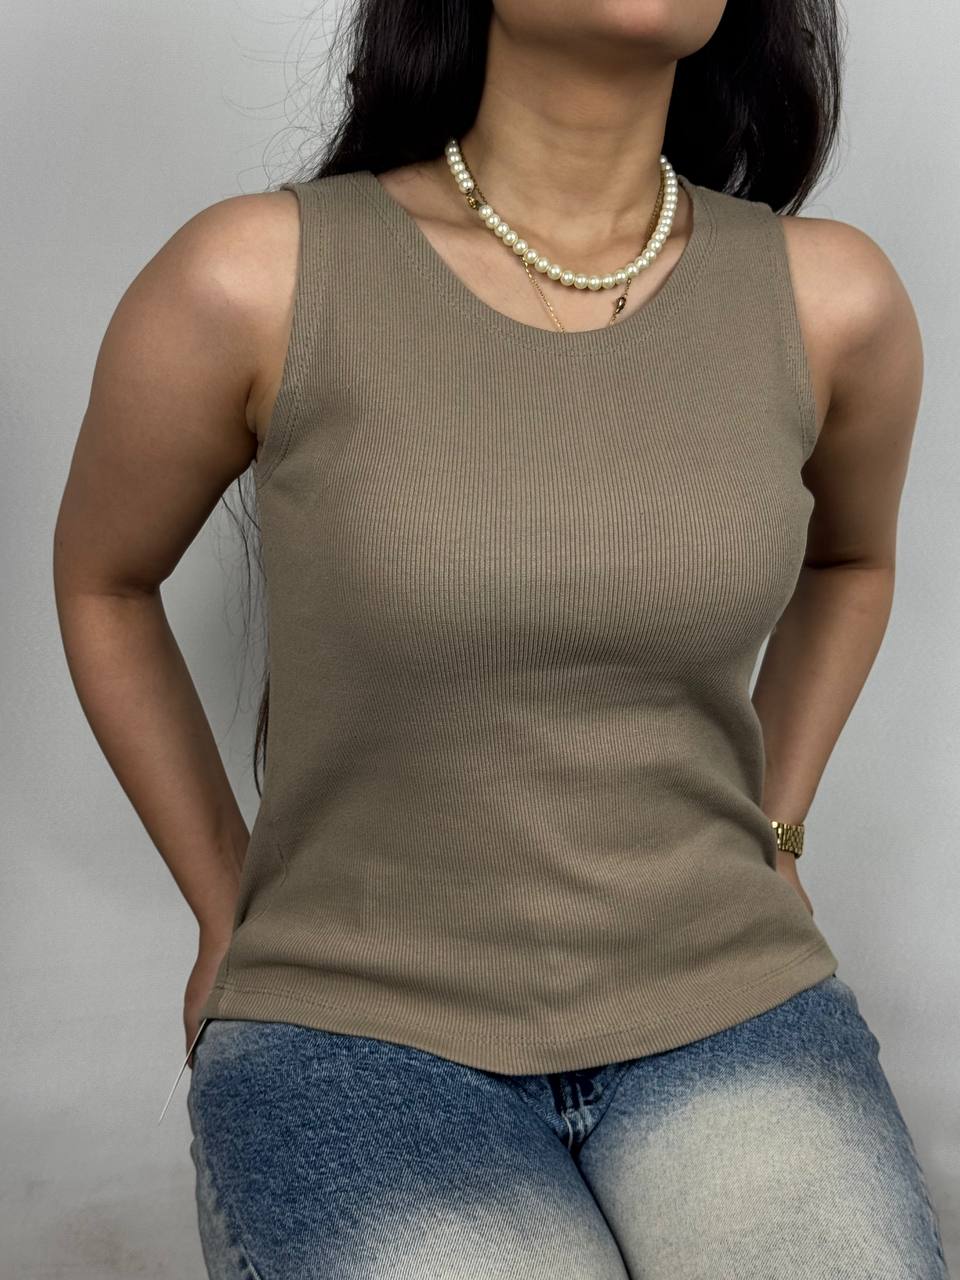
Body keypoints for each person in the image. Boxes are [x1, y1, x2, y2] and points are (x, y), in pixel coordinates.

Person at [53, 0, 951, 1276]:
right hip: (351, 1033)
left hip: (730, 999)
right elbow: (104, 579)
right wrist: (222, 900)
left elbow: (853, 562)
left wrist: (780, 826)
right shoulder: (256, 276)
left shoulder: (830, 300)